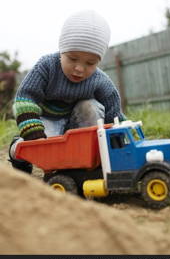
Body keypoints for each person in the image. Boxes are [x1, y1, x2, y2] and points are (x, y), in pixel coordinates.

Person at [9, 10, 126, 173]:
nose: (79, 68)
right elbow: (25, 99)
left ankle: (86, 159)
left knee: (91, 106)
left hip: (78, 127)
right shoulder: (46, 67)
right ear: (62, 50)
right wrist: (33, 131)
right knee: (33, 148)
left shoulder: (99, 80)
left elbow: (114, 114)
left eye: (90, 63)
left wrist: (117, 139)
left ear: (98, 61)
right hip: (47, 123)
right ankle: (18, 149)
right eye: (72, 58)